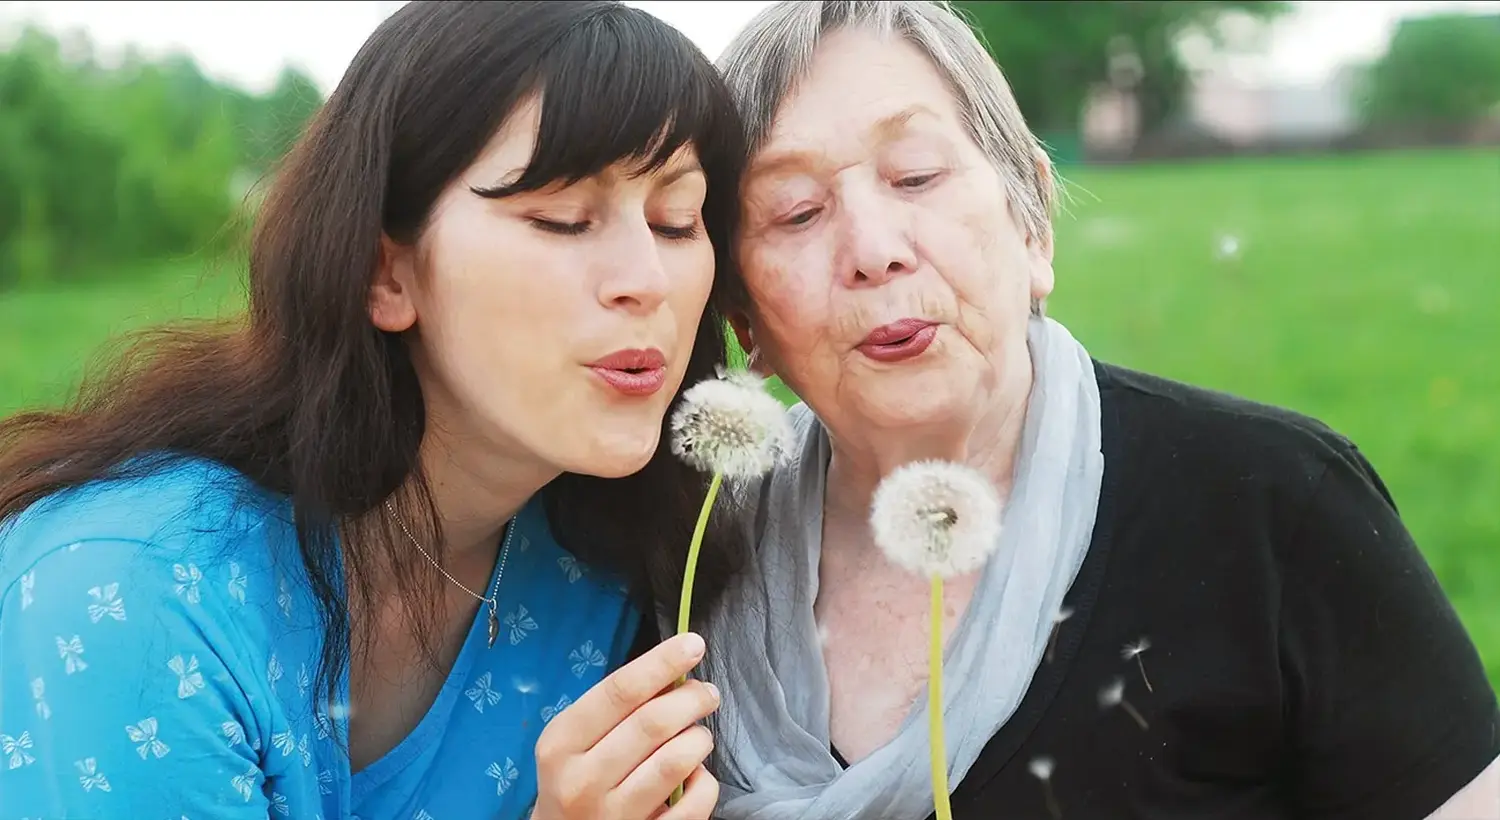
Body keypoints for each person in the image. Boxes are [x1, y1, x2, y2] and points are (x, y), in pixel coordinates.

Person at [687, 2, 1500, 819]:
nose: (873, 249)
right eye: (796, 212)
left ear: (1032, 225)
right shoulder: (684, 567)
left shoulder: (1276, 506)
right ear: (745, 321)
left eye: (916, 176)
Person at [0, 2, 744, 818]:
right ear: (384, 274)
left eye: (678, 221)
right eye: (562, 218)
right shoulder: (131, 593)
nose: (647, 279)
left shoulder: (607, 577)